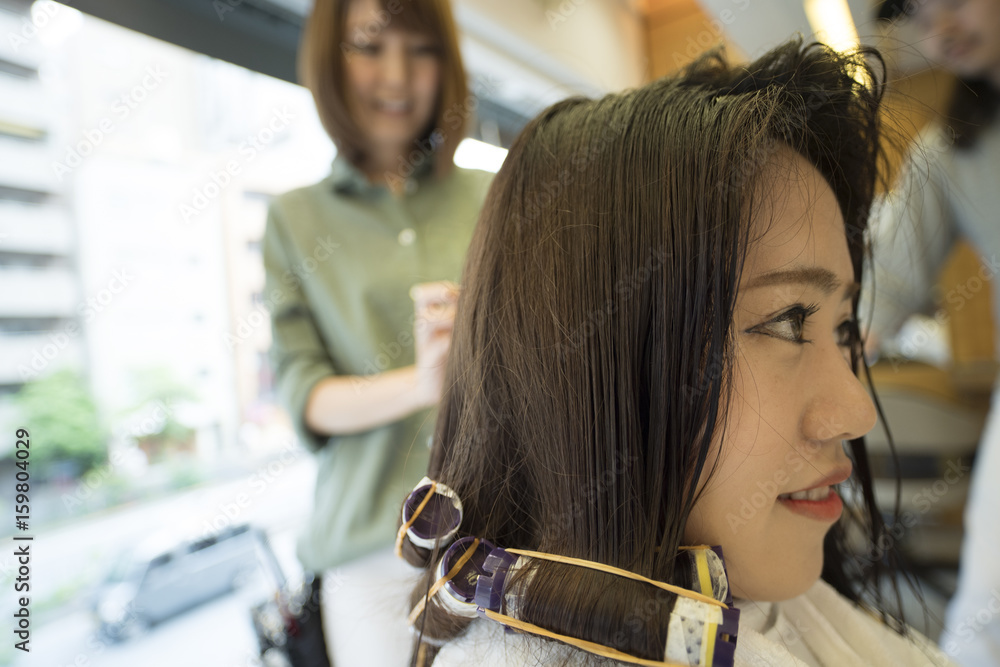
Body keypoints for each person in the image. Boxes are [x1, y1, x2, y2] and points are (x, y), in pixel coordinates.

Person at [392, 39, 959, 666]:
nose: (857, 412)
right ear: (591, 363)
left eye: (846, 330)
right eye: (789, 321)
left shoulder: (758, 598)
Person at [262, 0, 492, 662]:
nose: (397, 74)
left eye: (421, 49)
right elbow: (305, 394)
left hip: (500, 532)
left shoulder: (491, 195)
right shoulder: (295, 219)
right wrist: (421, 381)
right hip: (368, 552)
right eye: (369, 45)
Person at [867, 1, 1000, 664]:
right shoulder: (950, 148)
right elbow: (882, 287)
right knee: (986, 612)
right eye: (920, 19)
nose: (939, 27)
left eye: (952, 1)